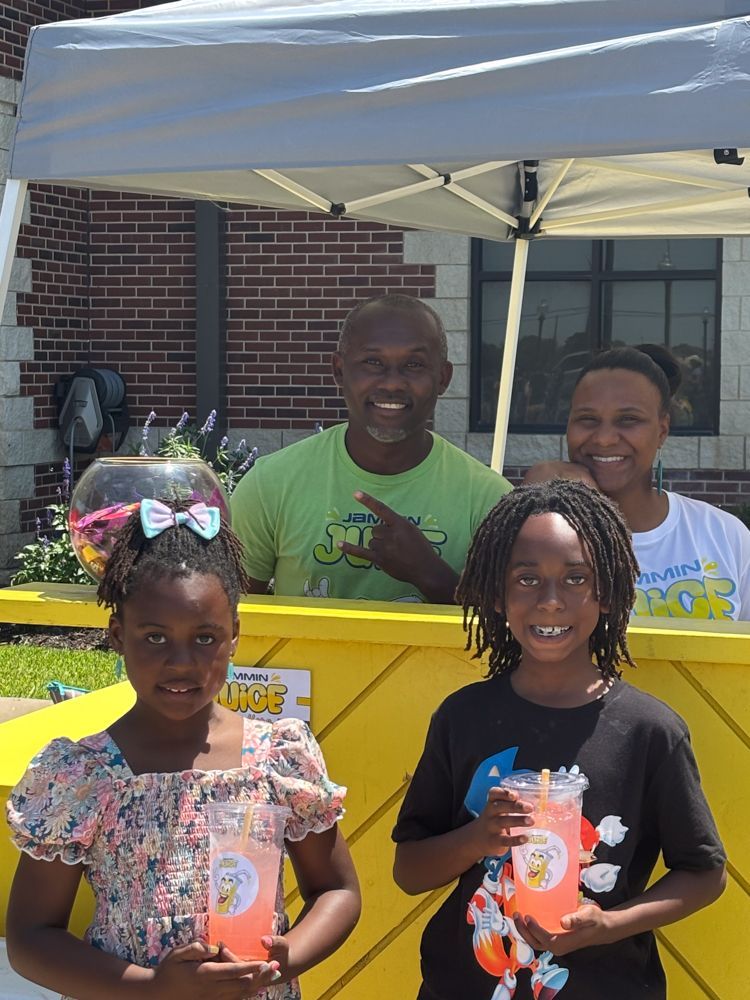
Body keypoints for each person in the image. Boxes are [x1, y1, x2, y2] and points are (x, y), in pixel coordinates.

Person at [6, 500, 360, 1000]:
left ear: (234, 635)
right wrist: (154, 987)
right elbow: (30, 937)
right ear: (117, 636)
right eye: (154, 637)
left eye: (205, 637)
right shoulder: (80, 777)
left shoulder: (277, 759)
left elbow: (337, 891)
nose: (180, 662)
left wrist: (286, 958)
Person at [392, 481, 725, 1000]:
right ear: (498, 595)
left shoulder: (649, 730)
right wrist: (478, 838)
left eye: (576, 579)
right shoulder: (463, 717)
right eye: (527, 579)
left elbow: (704, 873)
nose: (550, 601)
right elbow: (409, 870)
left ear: (610, 594)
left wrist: (611, 924)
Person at [231, 294, 511, 604]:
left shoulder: (489, 500)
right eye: (373, 362)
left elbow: (510, 636)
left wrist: (430, 574)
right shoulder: (270, 484)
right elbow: (230, 621)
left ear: (443, 378)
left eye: (414, 364)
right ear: (339, 370)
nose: (392, 383)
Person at [524, 345, 750, 619]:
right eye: (588, 419)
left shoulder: (723, 535)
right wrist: (531, 505)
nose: (604, 438)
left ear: (662, 431)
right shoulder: (540, 533)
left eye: (628, 420)